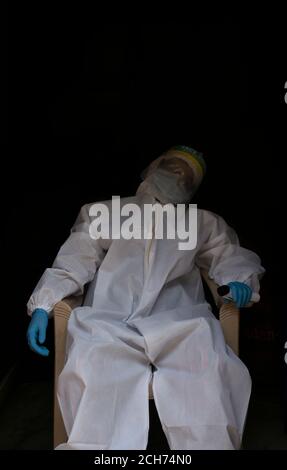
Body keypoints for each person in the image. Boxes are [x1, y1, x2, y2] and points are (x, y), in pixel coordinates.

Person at [26, 145, 265, 450]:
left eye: (188, 176)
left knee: (206, 368)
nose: (178, 176)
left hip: (180, 322)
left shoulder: (202, 222)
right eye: (172, 166)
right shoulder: (105, 213)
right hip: (108, 320)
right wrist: (43, 305)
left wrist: (238, 280)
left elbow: (227, 255)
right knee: (95, 365)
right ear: (151, 168)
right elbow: (75, 260)